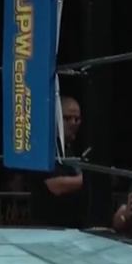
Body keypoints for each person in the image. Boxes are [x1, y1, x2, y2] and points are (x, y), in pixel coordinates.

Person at [28, 96, 84, 227]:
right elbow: (55, 185)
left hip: (70, 225)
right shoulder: (44, 146)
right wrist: (90, 179)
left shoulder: (69, 148)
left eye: (77, 119)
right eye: (67, 118)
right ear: (57, 117)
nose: (73, 123)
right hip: (48, 227)